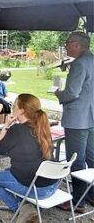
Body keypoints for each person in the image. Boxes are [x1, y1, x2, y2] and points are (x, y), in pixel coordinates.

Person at [0, 94, 59, 222]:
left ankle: (20, 210)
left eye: (14, 106)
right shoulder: (42, 128)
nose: (12, 108)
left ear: (21, 110)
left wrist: (6, 125)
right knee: (7, 171)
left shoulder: (17, 129)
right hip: (52, 185)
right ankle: (31, 207)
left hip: (37, 189)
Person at [55, 31, 94, 213]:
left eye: (68, 43)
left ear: (78, 44)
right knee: (92, 158)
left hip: (78, 119)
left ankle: (78, 201)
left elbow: (73, 93)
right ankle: (91, 193)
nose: (66, 46)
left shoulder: (79, 64)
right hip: (91, 116)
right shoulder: (90, 60)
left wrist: (59, 94)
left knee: (76, 160)